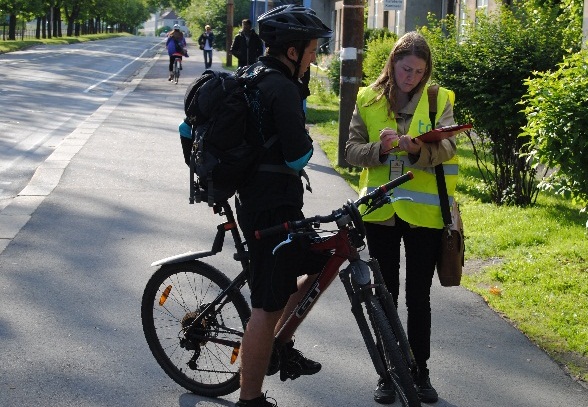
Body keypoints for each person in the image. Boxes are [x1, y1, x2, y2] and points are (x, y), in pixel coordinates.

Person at [344, 31, 458, 405]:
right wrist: (383, 148)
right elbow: (351, 151)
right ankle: (387, 374)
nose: (410, 77)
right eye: (405, 68)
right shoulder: (367, 97)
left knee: (418, 297)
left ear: (426, 73)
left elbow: (448, 147)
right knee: (384, 295)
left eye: (418, 71)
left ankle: (420, 371)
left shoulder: (438, 98)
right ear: (392, 62)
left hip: (423, 214)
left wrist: (413, 148)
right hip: (380, 211)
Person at [233, 5, 332, 407]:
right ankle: (250, 398)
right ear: (291, 51)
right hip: (270, 209)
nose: (314, 56)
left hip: (263, 203)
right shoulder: (282, 88)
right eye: (311, 49)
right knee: (265, 306)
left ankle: (281, 343)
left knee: (320, 262)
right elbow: (297, 156)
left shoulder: (249, 75)